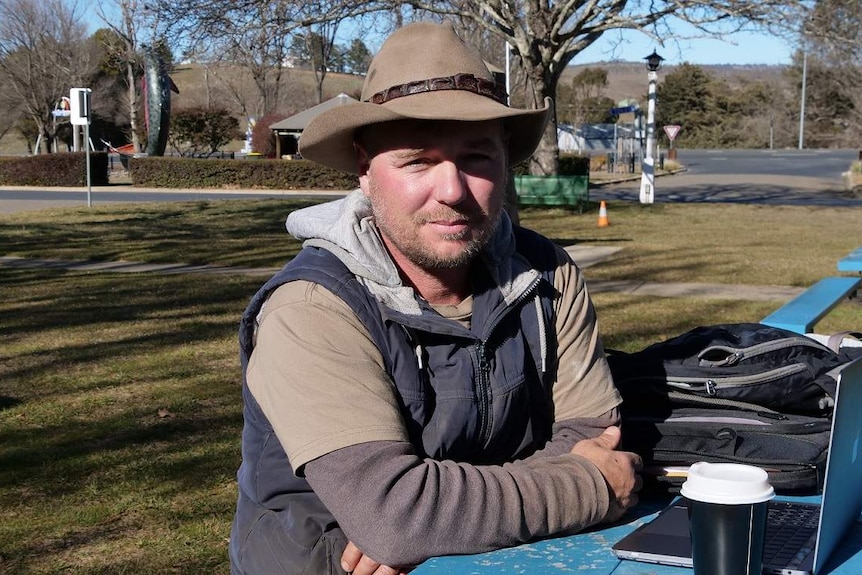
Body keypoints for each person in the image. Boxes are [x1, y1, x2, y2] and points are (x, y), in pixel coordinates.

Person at [229, 20, 642, 575]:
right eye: (417, 160)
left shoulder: (547, 276)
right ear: (364, 170)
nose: (452, 190)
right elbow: (397, 518)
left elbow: (593, 434)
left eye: (476, 158)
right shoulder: (311, 307)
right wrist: (587, 486)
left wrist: (433, 519)